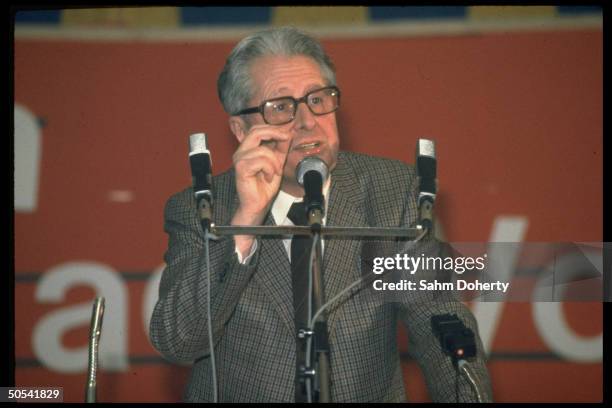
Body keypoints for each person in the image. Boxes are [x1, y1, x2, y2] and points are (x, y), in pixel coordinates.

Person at [149, 26, 493, 402]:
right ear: (240, 128)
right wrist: (244, 220)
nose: (307, 121)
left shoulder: (392, 192)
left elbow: (438, 321)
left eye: (318, 99)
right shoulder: (200, 208)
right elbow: (178, 340)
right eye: (280, 107)